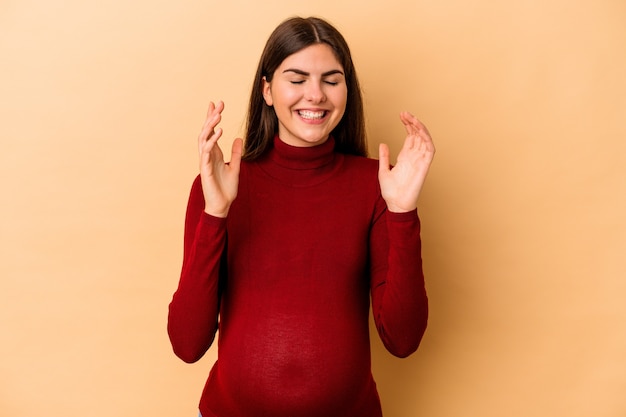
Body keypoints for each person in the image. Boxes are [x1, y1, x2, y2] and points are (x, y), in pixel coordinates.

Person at [167, 16, 435, 417]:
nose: (316, 94)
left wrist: (402, 212)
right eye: (296, 79)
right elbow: (187, 344)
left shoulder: (376, 186)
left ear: (347, 90)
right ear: (267, 91)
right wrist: (216, 214)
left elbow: (403, 338)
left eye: (331, 79)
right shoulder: (221, 186)